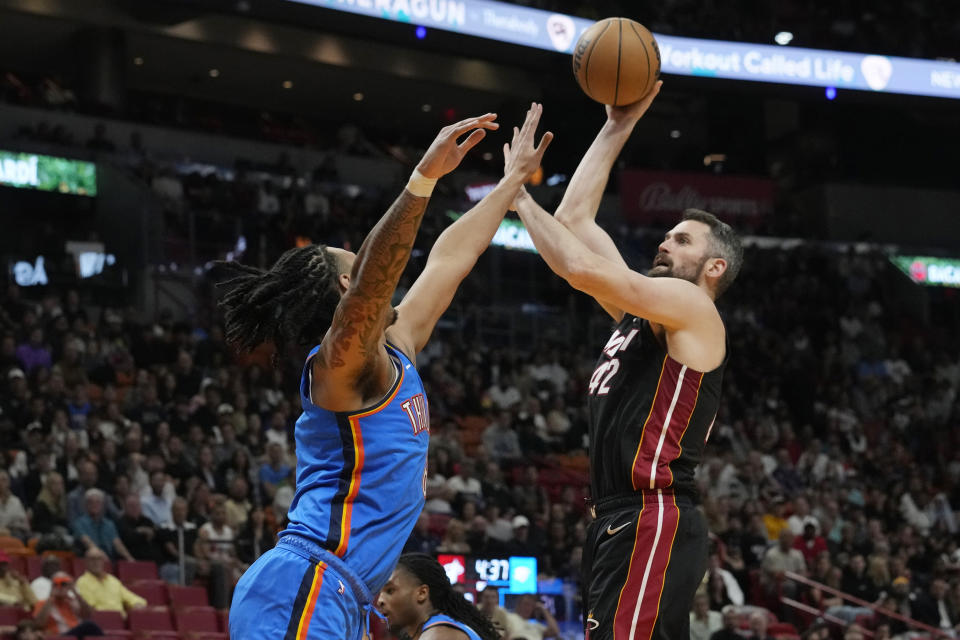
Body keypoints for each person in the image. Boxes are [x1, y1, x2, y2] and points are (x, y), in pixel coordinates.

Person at [226, 108, 551, 640]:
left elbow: (449, 259)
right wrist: (421, 181)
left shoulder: (395, 347)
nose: (367, 262)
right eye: (354, 260)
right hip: (305, 582)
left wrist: (511, 183)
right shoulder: (341, 367)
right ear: (350, 285)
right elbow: (377, 279)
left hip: (342, 594)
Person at [507, 85, 743, 640]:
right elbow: (572, 219)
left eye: (680, 241)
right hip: (622, 519)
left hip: (653, 514)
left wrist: (517, 192)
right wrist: (618, 123)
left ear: (713, 268)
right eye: (666, 235)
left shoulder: (692, 308)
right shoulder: (647, 315)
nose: (663, 244)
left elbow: (580, 269)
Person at [377, 553, 500, 640]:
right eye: (379, 592)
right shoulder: (434, 630)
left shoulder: (439, 635)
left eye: (390, 590)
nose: (379, 601)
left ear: (422, 593)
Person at [74, 548, 146, 617]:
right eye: (92, 559)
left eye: (99, 559)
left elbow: (132, 598)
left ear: (103, 561)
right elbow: (90, 608)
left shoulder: (113, 580)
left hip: (120, 620)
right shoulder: (82, 582)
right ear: (86, 562)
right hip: (101, 621)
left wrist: (137, 604)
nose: (96, 562)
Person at [32, 572, 103, 638]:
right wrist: (51, 597)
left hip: (76, 634)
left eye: (64, 584)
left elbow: (88, 614)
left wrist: (75, 591)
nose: (60, 587)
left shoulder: (73, 601)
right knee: (89, 626)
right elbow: (38, 624)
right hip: (58, 637)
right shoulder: (43, 603)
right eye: (56, 584)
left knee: (90, 626)